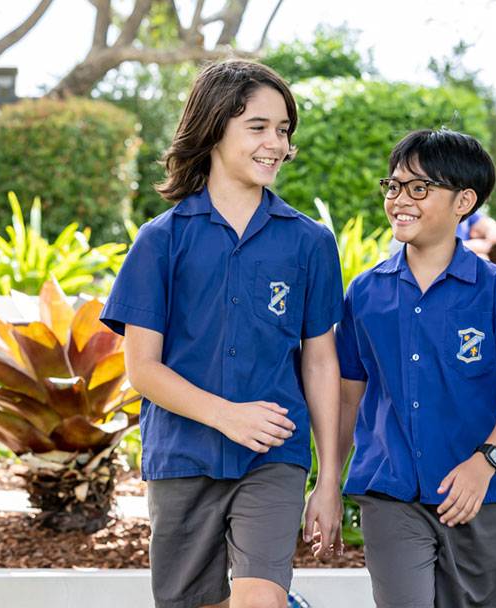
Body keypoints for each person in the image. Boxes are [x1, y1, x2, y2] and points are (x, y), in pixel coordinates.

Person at [100, 60, 345, 608]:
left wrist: (328, 478)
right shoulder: (159, 242)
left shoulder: (309, 243)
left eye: (283, 130)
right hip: (182, 456)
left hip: (273, 453)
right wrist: (226, 414)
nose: (275, 144)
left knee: (260, 599)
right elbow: (142, 370)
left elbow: (321, 361)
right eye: (257, 127)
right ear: (213, 129)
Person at [333, 129, 496, 607]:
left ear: (463, 201)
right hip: (390, 492)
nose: (399, 200)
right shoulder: (364, 294)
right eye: (393, 186)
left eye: (419, 188)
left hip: (477, 496)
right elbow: (349, 396)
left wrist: (483, 464)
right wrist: (328, 483)